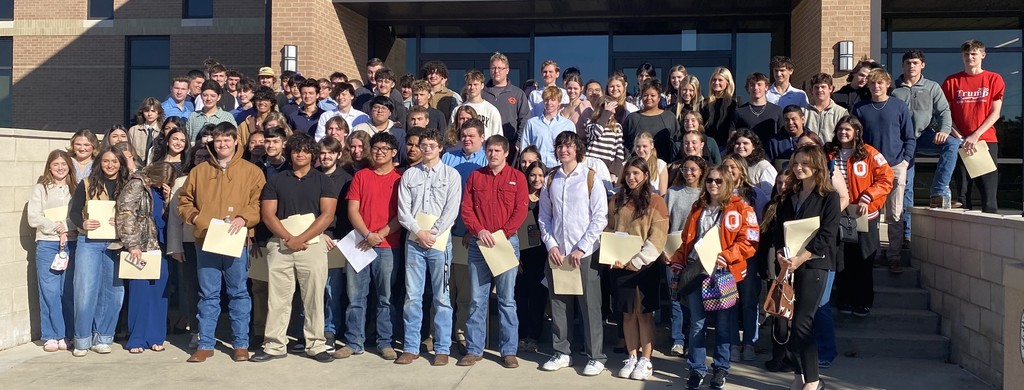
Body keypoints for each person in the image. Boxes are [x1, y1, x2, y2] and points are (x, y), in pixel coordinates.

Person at [178, 122, 264, 363]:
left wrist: (244, 217)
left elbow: (258, 203)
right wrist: (196, 217)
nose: (223, 144)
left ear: (236, 141)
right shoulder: (200, 171)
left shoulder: (251, 171)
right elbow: (184, 202)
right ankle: (205, 344)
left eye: (227, 140)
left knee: (238, 293)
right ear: (212, 143)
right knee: (208, 294)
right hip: (206, 240)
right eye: (218, 141)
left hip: (236, 241)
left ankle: (240, 344)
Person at [251, 133, 339, 363]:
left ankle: (316, 344)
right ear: (290, 153)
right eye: (296, 150)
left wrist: (302, 238)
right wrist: (289, 238)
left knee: (314, 297)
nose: (300, 154)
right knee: (278, 298)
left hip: (312, 245)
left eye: (306, 150)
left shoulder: (323, 180)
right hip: (281, 244)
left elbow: (327, 214)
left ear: (312, 154)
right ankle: (274, 345)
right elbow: (268, 215)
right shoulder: (277, 180)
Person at [670, 164, 759, 390]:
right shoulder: (698, 207)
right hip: (697, 270)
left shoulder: (741, 208)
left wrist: (728, 256)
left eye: (719, 181)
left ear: (728, 182)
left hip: (723, 272)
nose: (713, 184)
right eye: (709, 180)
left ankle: (721, 368)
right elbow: (687, 240)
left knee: (724, 325)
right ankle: (697, 368)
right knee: (697, 324)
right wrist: (678, 261)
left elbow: (749, 241)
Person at [765, 145, 840, 390]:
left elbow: (827, 235)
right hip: (789, 264)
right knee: (791, 322)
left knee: (802, 323)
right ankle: (799, 376)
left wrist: (801, 258)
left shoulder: (829, 197)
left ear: (817, 165)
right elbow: (779, 230)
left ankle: (814, 381)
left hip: (815, 265)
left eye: (804, 164)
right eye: (795, 163)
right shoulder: (790, 195)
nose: (798, 168)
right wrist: (780, 255)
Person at [538, 131, 608, 376]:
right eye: (559, 146)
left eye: (568, 146)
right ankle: (562, 352)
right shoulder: (550, 179)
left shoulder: (590, 177)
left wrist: (581, 247)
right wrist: (551, 246)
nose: (563, 151)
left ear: (577, 149)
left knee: (590, 306)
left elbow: (600, 217)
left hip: (584, 253)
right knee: (559, 305)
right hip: (558, 253)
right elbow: (544, 218)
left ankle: (595, 356)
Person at [459, 134, 530, 368]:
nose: (493, 154)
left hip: (506, 244)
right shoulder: (475, 177)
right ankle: (473, 349)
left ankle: (508, 351)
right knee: (477, 300)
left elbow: (520, 210)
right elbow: (466, 209)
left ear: (506, 153)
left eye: (498, 150)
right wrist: (479, 231)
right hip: (480, 246)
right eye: (490, 150)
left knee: (506, 300)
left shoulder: (517, 178)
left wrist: (502, 234)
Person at [393, 129, 461, 366]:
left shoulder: (451, 175)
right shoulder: (410, 175)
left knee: (442, 296)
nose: (427, 149)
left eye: (432, 145)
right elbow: (403, 210)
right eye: (424, 145)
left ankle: (442, 347)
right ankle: (411, 346)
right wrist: (418, 232)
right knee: (413, 296)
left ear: (440, 147)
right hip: (414, 241)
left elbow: (452, 210)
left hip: (440, 242)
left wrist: (433, 233)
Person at [334, 132, 403, 360]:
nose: (379, 151)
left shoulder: (400, 179)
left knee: (385, 297)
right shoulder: (361, 176)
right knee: (356, 297)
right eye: (375, 147)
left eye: (385, 148)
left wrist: (380, 234)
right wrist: (367, 234)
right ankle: (353, 341)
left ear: (394, 153)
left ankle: (385, 342)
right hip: (359, 243)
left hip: (388, 245)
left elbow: (401, 214)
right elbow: (353, 209)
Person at [607, 156, 669, 381]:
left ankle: (646, 359)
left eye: (636, 174)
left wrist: (638, 260)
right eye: (628, 173)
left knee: (643, 314)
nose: (631, 178)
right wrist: (612, 254)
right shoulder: (616, 200)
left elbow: (658, 236)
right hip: (620, 265)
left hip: (645, 266)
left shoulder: (656, 201)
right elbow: (610, 228)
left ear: (645, 175)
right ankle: (631, 356)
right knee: (626, 314)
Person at [828, 116, 893, 318]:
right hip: (839, 213)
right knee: (841, 259)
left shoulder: (869, 154)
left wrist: (868, 196)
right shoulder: (829, 154)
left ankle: (862, 301)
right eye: (840, 130)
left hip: (864, 214)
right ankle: (844, 299)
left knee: (862, 259)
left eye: (847, 129)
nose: (843, 133)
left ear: (857, 131)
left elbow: (886, 178)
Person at [853, 68, 915, 273]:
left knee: (895, 213)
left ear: (888, 84)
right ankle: (875, 254)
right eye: (873, 83)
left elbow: (909, 137)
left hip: (896, 165)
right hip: (870, 168)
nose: (876, 86)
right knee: (871, 213)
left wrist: (906, 161)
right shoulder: (861, 109)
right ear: (868, 85)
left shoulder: (898, 106)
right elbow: (856, 139)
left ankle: (894, 256)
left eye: (880, 83)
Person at [69, 146, 129, 357]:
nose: (110, 165)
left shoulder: (129, 185)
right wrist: (83, 223)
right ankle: (82, 339)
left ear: (121, 163)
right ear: (99, 163)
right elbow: (74, 212)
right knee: (85, 290)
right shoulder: (86, 184)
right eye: (105, 161)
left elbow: (138, 212)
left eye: (114, 161)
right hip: (90, 242)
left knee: (113, 293)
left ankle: (104, 337)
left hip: (116, 243)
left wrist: (122, 221)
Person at [116, 162, 177, 354]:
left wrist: (167, 200)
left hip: (160, 244)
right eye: (161, 181)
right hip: (141, 246)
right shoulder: (137, 184)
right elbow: (125, 214)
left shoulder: (160, 190)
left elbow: (165, 216)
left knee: (159, 293)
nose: (162, 185)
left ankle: (156, 337)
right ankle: (137, 338)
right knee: (140, 291)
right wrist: (132, 244)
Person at [942, 39, 1003, 213]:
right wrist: (960, 137)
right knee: (962, 194)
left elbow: (995, 113)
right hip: (959, 143)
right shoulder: (951, 82)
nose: (970, 57)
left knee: (988, 194)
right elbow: (946, 115)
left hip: (985, 142)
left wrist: (975, 136)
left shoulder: (993, 79)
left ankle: (991, 236)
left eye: (974, 53)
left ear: (983, 55)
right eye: (966, 54)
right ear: (962, 56)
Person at [27, 150, 77, 352]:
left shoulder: (75, 188)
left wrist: (67, 225)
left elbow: (81, 213)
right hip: (48, 244)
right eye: (56, 164)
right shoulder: (41, 189)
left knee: (67, 291)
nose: (60, 168)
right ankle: (51, 335)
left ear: (69, 167)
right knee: (49, 291)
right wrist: (55, 226)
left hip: (71, 244)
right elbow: (34, 217)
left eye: (63, 164)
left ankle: (67, 334)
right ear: (49, 166)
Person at [166, 145, 210, 347]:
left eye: (206, 157)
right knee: (192, 288)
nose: (201, 160)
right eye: (198, 156)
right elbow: (174, 218)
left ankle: (211, 330)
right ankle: (195, 330)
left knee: (211, 290)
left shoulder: (216, 179)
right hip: (188, 241)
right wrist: (175, 246)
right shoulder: (181, 182)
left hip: (214, 241)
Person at [663, 155, 706, 356]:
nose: (688, 173)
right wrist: (664, 250)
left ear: (701, 171)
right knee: (675, 298)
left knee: (693, 298)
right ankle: (677, 339)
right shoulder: (672, 192)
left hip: (697, 255)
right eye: (685, 169)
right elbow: (665, 223)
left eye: (693, 169)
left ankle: (691, 340)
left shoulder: (705, 194)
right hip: (673, 251)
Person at [315, 136, 353, 353]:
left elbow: (346, 215)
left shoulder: (347, 179)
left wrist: (334, 237)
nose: (326, 156)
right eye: (322, 153)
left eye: (330, 152)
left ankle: (329, 331)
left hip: (336, 241)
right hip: (314, 238)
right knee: (311, 289)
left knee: (332, 290)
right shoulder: (313, 176)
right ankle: (311, 331)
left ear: (339, 155)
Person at [516, 160, 548, 353]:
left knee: (538, 297)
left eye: (541, 175)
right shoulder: (520, 196)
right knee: (520, 296)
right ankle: (521, 335)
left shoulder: (548, 197)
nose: (537, 179)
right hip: (520, 253)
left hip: (542, 254)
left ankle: (534, 337)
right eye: (533, 175)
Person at [622, 79, 681, 163]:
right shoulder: (633, 118)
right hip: (638, 167)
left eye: (653, 95)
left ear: (659, 97)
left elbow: (677, 143)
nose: (649, 98)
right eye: (645, 95)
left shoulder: (669, 117)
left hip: (664, 167)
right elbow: (626, 145)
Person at [519, 86, 576, 167]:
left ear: (559, 102)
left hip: (559, 168)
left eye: (553, 100)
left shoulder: (568, 125)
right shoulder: (532, 123)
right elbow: (524, 147)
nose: (549, 103)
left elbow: (573, 149)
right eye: (546, 100)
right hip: (537, 169)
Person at [484, 52, 530, 145]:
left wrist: (518, 142)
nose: (496, 71)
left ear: (507, 70)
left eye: (500, 68)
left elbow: (524, 120)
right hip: (486, 145)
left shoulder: (517, 93)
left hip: (510, 145)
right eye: (493, 68)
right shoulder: (482, 93)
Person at [353, 95, 408, 162]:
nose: (379, 111)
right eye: (376, 107)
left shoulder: (398, 131)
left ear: (390, 113)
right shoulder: (359, 129)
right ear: (371, 110)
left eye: (384, 108)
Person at [734, 73, 784, 145]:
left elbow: (781, 136)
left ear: (766, 87)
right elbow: (733, 137)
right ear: (748, 88)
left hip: (770, 154)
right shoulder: (739, 112)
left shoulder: (777, 110)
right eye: (752, 85)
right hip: (747, 154)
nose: (756, 88)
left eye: (759, 84)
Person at [583, 95, 626, 179]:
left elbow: (619, 152)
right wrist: (606, 114)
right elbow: (596, 133)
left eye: (613, 109)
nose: (613, 112)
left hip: (607, 167)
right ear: (600, 109)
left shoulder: (617, 127)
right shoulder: (590, 124)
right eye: (610, 109)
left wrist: (614, 172)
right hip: (591, 164)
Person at [453, 69, 503, 138]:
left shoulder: (492, 110)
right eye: (469, 84)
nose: (472, 87)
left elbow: (498, 137)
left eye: (475, 84)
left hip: (485, 148)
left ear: (482, 86)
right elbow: (452, 134)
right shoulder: (457, 110)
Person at [728, 129, 777, 197]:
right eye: (737, 143)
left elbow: (770, 194)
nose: (741, 146)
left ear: (753, 146)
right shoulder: (728, 166)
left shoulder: (763, 167)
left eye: (745, 143)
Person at [802, 73, 849, 143]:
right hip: (809, 152)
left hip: (832, 152)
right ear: (811, 90)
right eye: (816, 87)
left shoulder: (841, 113)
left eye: (823, 87)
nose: (819, 90)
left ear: (830, 89)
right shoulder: (803, 112)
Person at [701, 67, 740, 146]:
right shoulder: (704, 104)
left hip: (727, 146)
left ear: (728, 82)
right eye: (714, 80)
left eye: (720, 80)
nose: (716, 82)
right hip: (708, 146)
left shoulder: (734, 103)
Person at [127, 97, 165, 165]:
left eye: (153, 111)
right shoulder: (134, 130)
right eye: (147, 111)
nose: (149, 114)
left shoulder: (163, 131)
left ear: (158, 113)